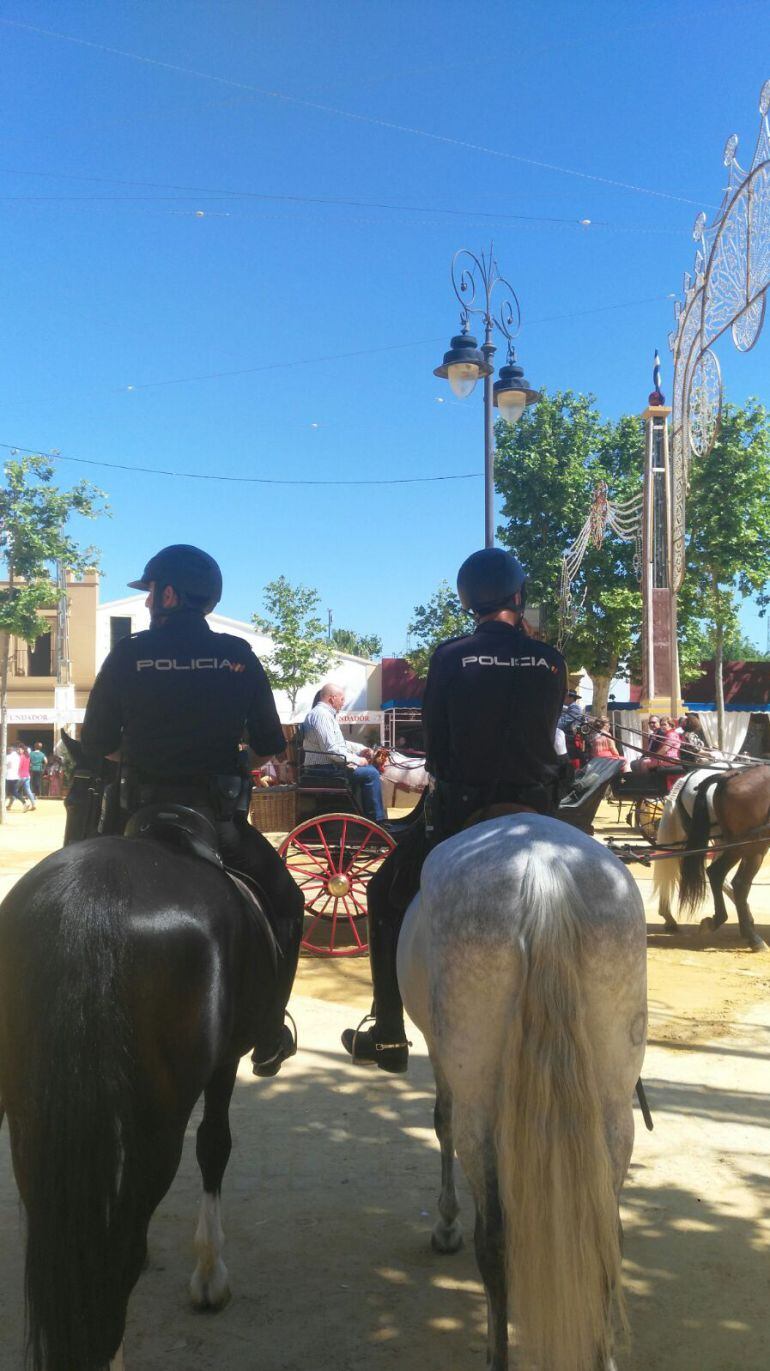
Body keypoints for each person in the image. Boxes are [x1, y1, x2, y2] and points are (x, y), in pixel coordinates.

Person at [79, 543, 304, 1077]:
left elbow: (97, 743)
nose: (148, 601)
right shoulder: (237, 655)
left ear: (170, 594)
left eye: (152, 590)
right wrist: (235, 759)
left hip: (136, 815)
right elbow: (270, 745)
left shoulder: (128, 654)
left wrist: (137, 753)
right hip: (216, 823)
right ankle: (271, 1027)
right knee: (288, 902)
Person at [342, 546, 567, 1074]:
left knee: (383, 893)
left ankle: (390, 1034)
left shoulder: (450, 655)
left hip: (463, 810)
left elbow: (438, 749)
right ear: (519, 597)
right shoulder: (552, 659)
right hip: (539, 807)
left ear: (469, 600)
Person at [302, 683, 387, 824]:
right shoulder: (322, 716)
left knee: (368, 770)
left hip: (324, 767)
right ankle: (376, 821)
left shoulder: (324, 715)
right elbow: (332, 750)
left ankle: (366, 815)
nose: (343, 703)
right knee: (371, 773)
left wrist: (360, 749)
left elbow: (339, 743)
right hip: (323, 769)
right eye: (342, 699)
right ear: (332, 698)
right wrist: (358, 760)